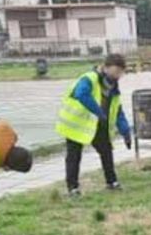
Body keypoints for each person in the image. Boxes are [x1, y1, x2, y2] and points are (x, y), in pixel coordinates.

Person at [56, 54, 132, 198]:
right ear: (105, 67)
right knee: (74, 156)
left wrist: (125, 131)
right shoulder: (89, 78)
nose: (117, 76)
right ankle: (73, 188)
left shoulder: (113, 86)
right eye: (115, 72)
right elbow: (81, 94)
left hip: (96, 125)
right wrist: (100, 112)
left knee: (106, 151)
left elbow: (117, 110)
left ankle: (112, 182)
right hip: (77, 124)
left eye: (120, 73)